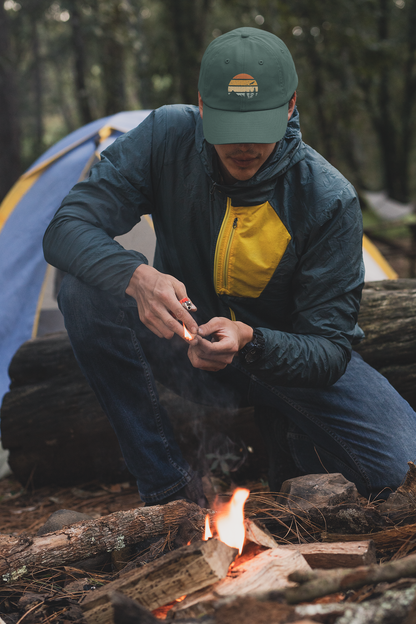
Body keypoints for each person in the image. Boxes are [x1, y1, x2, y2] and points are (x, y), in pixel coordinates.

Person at [43, 27, 416, 506]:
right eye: (229, 128)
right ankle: (168, 491)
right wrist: (136, 277)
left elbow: (329, 349)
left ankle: (291, 439)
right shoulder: (166, 137)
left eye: (257, 128)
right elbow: (66, 226)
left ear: (290, 105)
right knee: (82, 289)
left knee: (400, 465)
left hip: (283, 358)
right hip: (185, 344)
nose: (243, 147)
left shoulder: (327, 198)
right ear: (201, 105)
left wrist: (252, 341)